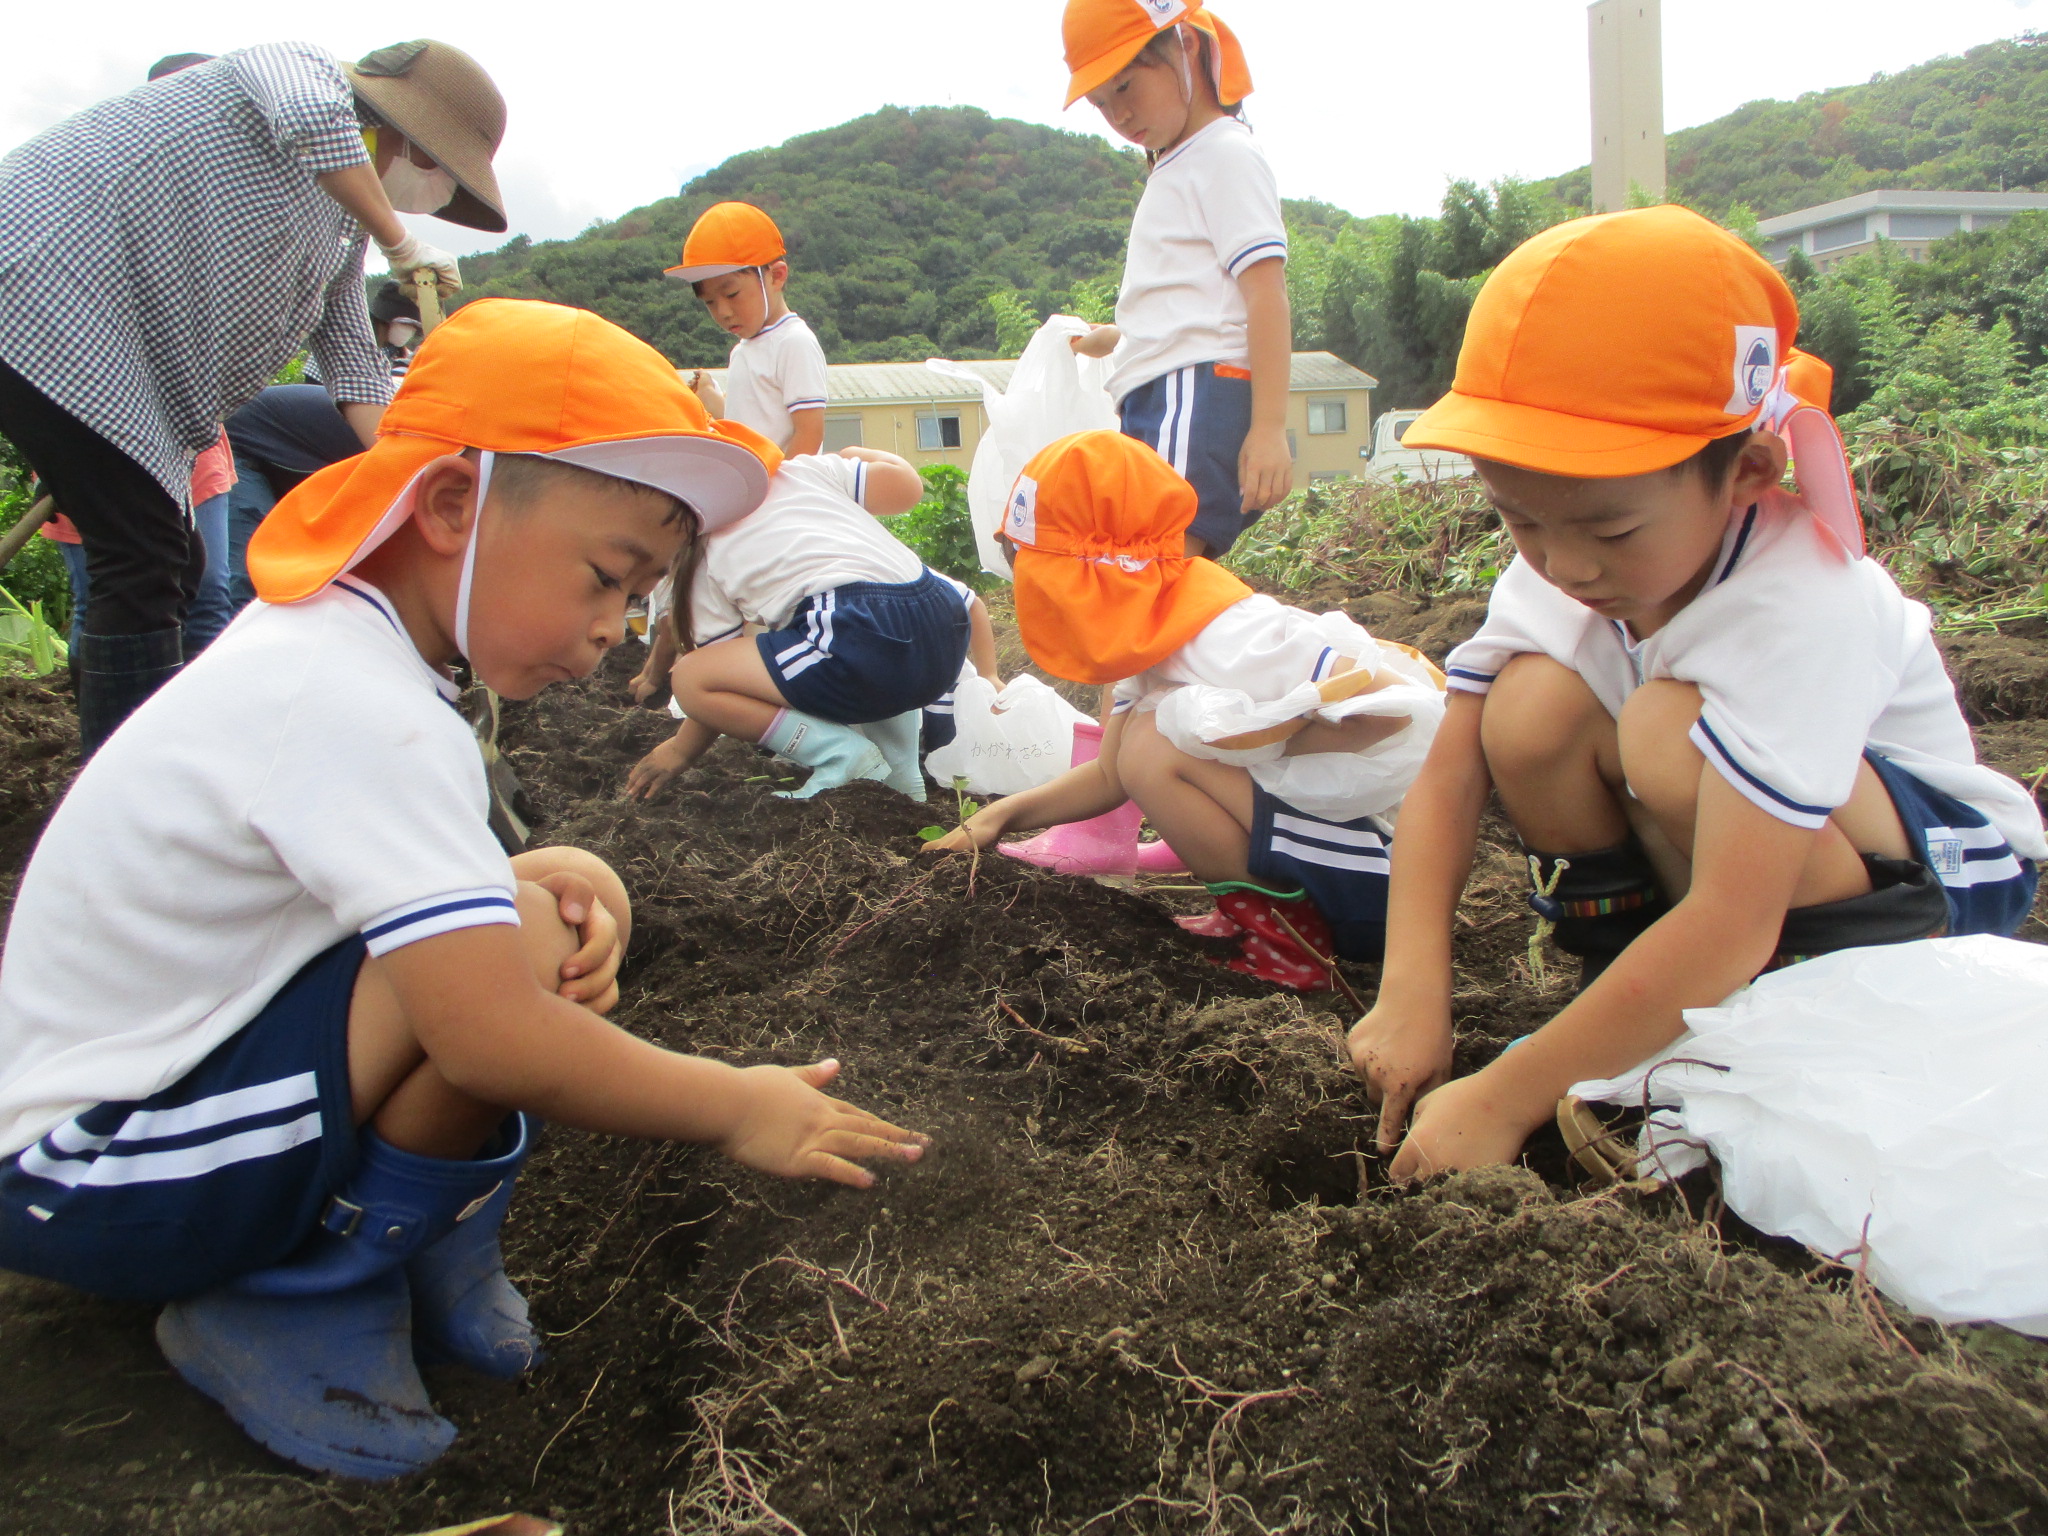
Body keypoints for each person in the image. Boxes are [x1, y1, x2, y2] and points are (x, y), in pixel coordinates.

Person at [0, 299, 928, 1481]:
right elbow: (488, 1037)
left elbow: (357, 888)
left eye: (635, 598)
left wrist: (549, 872)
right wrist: (734, 1104)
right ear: (451, 507)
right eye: (604, 579)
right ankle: (301, 1294)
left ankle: (404, 1241)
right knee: (506, 977)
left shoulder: (333, 651)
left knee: (526, 918)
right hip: (101, 1175)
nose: (609, 631)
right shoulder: (353, 704)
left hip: (127, 1121)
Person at [1348, 206, 2048, 1180]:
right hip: (1754, 867)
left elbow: (1729, 917)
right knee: (1529, 705)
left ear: (1747, 470)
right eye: (1519, 522)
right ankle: (1621, 988)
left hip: (1939, 876)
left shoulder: (1800, 605)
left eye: (1610, 529)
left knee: (1667, 731)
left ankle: (1754, 1027)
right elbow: (1449, 774)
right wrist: (1411, 986)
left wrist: (1505, 1097)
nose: (1563, 566)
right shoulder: (1562, 564)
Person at [0, 39, 506, 754]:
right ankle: (133, 787)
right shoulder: (295, 71)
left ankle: (144, 755)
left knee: (177, 563)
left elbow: (353, 364)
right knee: (140, 556)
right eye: (440, 172)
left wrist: (423, 475)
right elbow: (312, 119)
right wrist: (401, 240)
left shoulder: (340, 228)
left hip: (111, 355)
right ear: (410, 138)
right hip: (40, 284)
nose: (429, 201)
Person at [929, 432, 1445, 990]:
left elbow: (1400, 713)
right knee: (1151, 741)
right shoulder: (1152, 632)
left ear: (1098, 573)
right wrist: (998, 817)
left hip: (1385, 889)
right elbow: (1110, 774)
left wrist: (1264, 741)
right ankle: (1254, 918)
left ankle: (1289, 944)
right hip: (1346, 880)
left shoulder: (1229, 633)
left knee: (1158, 741)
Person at [1004, 0, 1291, 879]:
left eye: (1130, 83)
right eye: (1100, 99)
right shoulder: (1182, 162)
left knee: (1131, 591)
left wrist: (1272, 425)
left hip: (1194, 397)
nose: (1118, 111)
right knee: (1148, 602)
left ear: (1187, 48)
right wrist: (1112, 340)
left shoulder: (1225, 155)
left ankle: (1111, 820)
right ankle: (1157, 802)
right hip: (1167, 390)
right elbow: (1186, 300)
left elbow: (1264, 293)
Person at [624, 446, 978, 805]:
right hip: (944, 624)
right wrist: (862, 453)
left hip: (855, 630)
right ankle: (902, 774)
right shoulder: (802, 471)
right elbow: (907, 488)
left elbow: (713, 677)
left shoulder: (703, 550)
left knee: (690, 676)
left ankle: (838, 755)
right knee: (871, 644)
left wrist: (680, 751)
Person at [668, 201, 830, 457]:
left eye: (732, 294)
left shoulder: (793, 341)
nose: (723, 312)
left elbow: (809, 433)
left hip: (785, 492)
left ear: (776, 276)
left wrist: (779, 489)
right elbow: (750, 431)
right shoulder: (742, 351)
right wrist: (711, 400)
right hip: (754, 491)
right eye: (710, 302)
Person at [223, 384, 379, 612]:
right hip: (241, 443)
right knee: (247, 574)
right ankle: (223, 639)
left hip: (293, 459)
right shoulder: (397, 434)